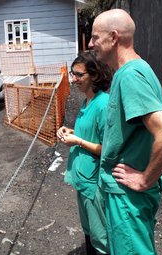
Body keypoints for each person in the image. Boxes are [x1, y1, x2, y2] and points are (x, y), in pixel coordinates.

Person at [88, 9, 162, 255]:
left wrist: (144, 179)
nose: (90, 43)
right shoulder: (141, 68)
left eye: (95, 37)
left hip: (127, 195)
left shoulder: (130, 76)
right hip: (129, 194)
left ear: (114, 37)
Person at [57, 52, 112, 255]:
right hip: (83, 180)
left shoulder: (103, 104)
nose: (74, 80)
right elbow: (90, 134)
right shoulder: (87, 102)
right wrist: (71, 132)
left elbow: (107, 149)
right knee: (89, 232)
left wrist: (78, 141)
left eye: (79, 75)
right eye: (73, 74)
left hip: (95, 184)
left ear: (94, 75)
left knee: (101, 238)